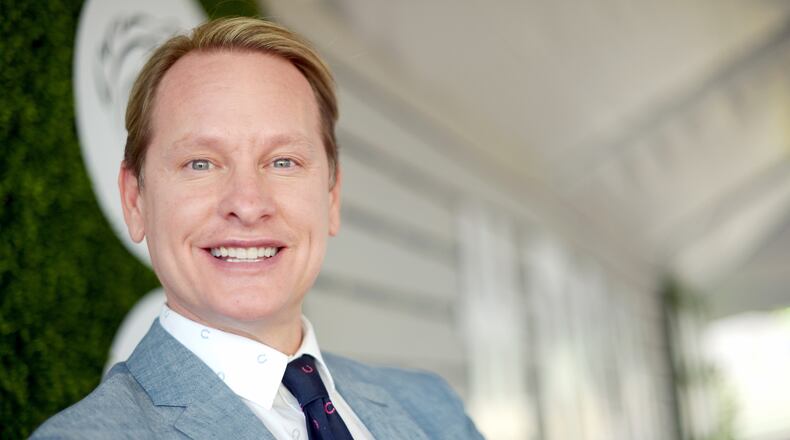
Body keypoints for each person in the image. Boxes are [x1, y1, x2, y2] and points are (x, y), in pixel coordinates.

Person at [32, 17, 483, 440]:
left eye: (283, 161)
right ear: (136, 201)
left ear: (331, 196)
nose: (248, 205)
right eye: (201, 163)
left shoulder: (433, 409)